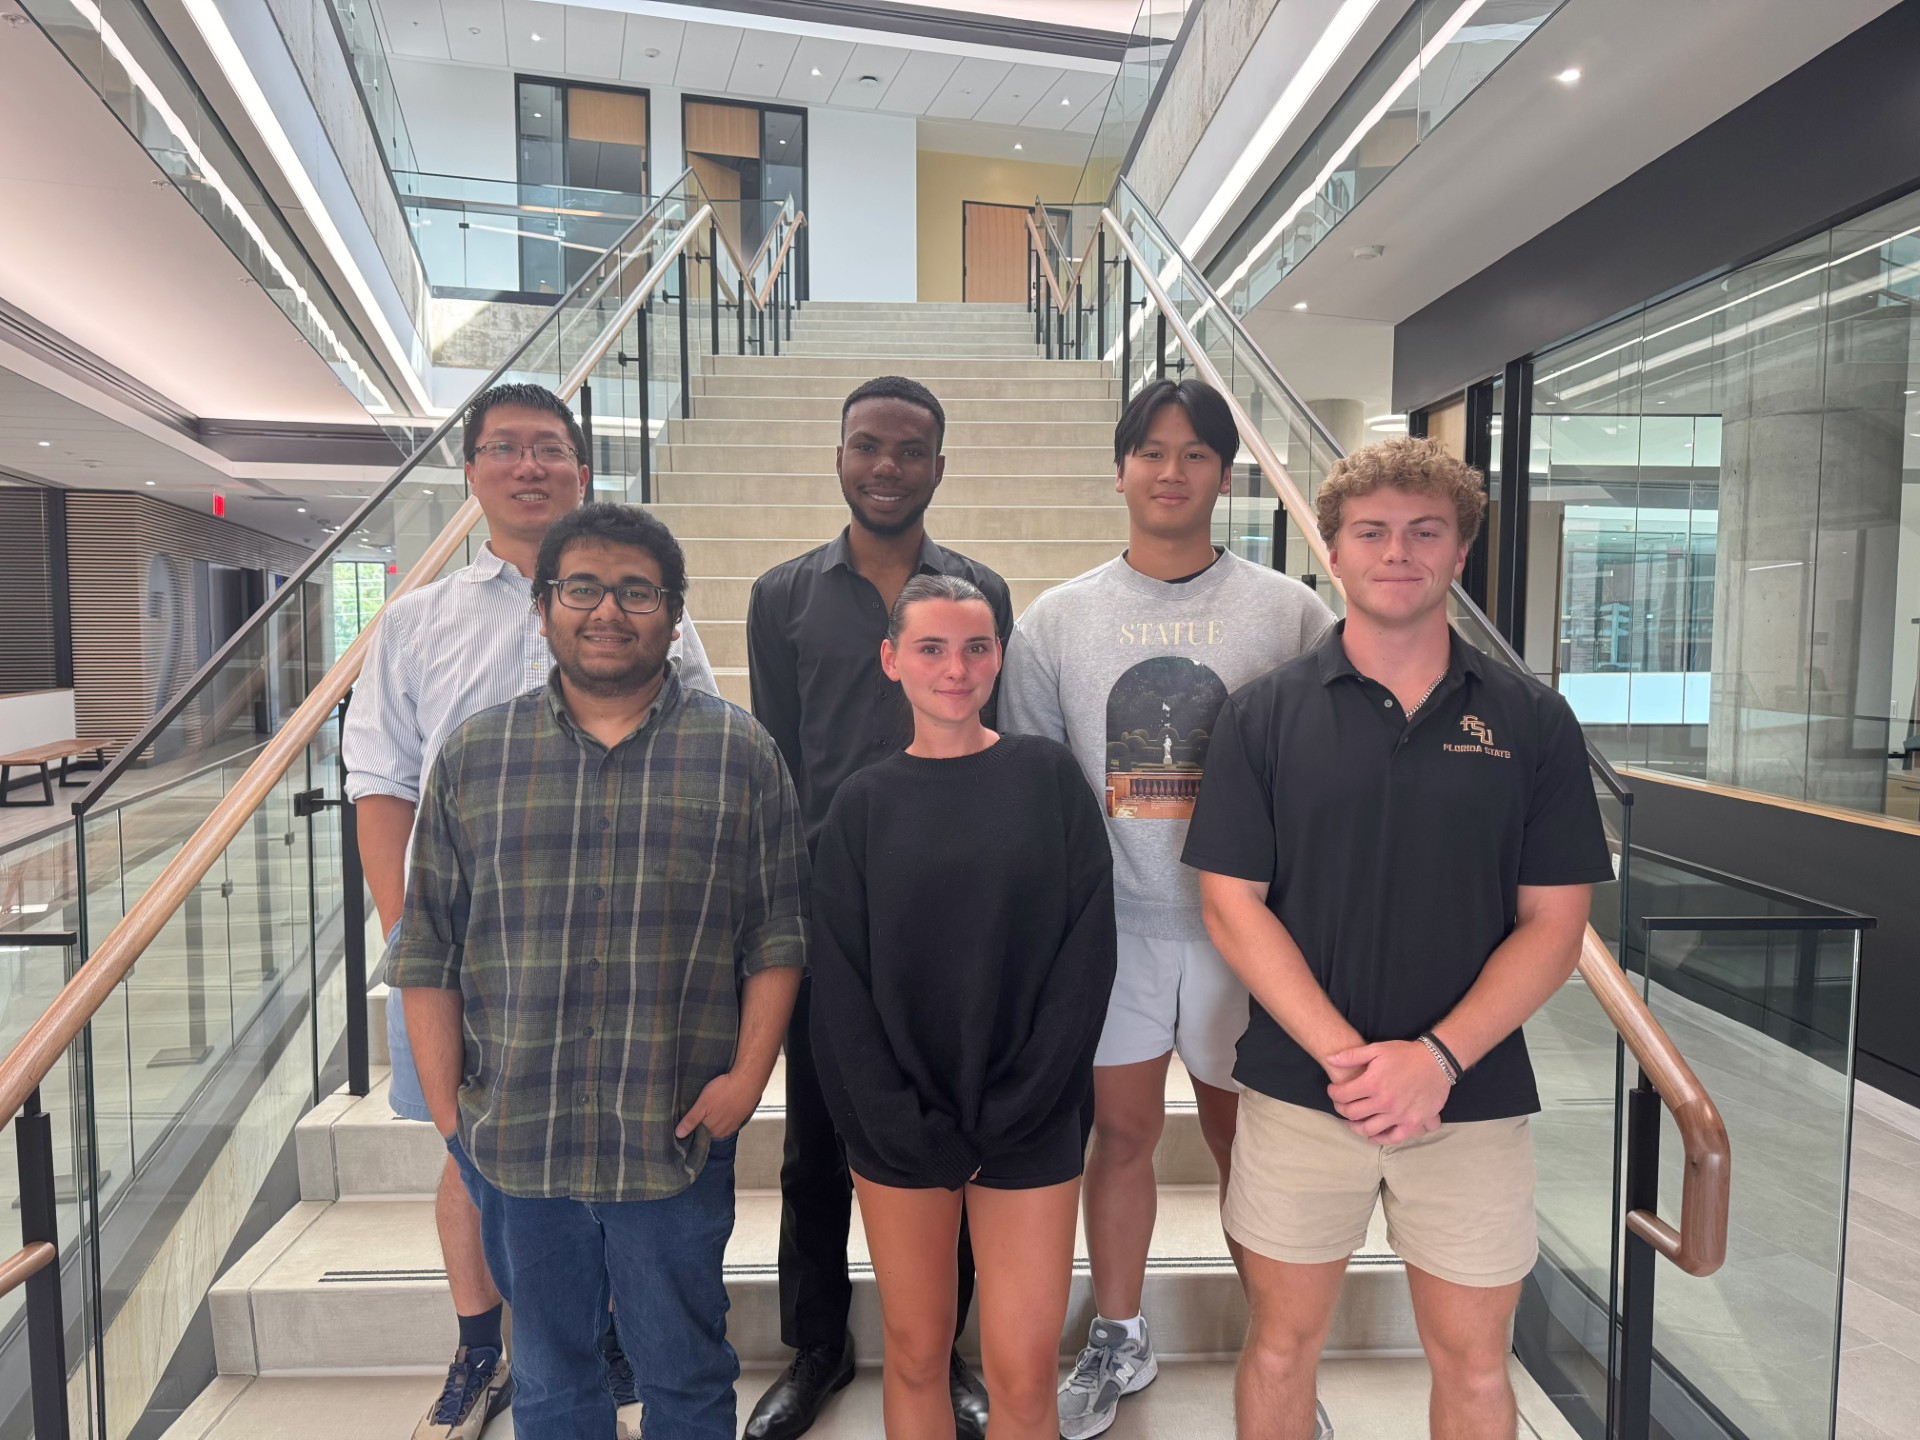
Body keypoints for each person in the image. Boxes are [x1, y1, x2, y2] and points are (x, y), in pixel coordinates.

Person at [1181, 437, 1612, 1440]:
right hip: (1300, 1091)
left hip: (1472, 1099)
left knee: (1472, 1367)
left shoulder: (1534, 722)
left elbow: (1556, 923)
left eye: (1427, 531)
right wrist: (1351, 1060)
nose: (1399, 552)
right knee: (1282, 1348)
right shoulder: (1262, 718)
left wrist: (1436, 1060)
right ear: (1333, 552)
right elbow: (1230, 904)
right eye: (1371, 532)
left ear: (1461, 552)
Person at [343, 381, 716, 1440]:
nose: (530, 466)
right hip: (467, 959)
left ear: (583, 471)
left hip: (616, 952)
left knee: (599, 1163)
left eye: (550, 448)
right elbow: (382, 786)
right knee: (473, 1160)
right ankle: (482, 1347)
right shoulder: (418, 622)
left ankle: (593, 1333)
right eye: (505, 448)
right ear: (471, 473)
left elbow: (702, 750)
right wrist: (418, 952)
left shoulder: (646, 604)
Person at [390, 503, 808, 1440]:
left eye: (636, 592)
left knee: (687, 1371)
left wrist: (746, 1081)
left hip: (672, 1133)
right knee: (549, 1376)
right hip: (519, 1141)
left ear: (672, 615)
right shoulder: (474, 757)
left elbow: (778, 935)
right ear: (542, 609)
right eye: (581, 588)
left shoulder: (739, 754)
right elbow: (428, 948)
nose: (607, 611)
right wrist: (454, 1113)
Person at [998, 377, 1332, 1438]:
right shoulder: (1059, 621)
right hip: (1119, 931)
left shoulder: (1289, 612)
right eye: (1151, 450)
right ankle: (1121, 1332)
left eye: (1194, 454)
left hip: (1249, 935)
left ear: (1222, 476)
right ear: (1120, 468)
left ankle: (1276, 1355)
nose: (1171, 471)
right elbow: (1041, 791)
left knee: (1254, 1145)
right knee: (1125, 1135)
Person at [744, 376, 1011, 1440]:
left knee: (948, 1140)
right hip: (827, 918)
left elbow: (993, 746)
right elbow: (776, 760)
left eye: (909, 450)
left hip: (946, 918)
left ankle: (939, 1353)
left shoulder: (977, 588)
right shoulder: (783, 596)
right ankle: (817, 1349)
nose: (887, 466)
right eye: (868, 446)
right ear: (840, 455)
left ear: (939, 467)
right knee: (814, 1145)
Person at [809, 575, 1117, 1440]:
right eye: (933, 648)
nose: (956, 668)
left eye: (976, 647)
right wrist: (897, 1121)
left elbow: (1086, 955)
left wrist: (1027, 1103)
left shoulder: (1048, 779)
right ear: (892, 659)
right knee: (915, 1352)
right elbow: (839, 988)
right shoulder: (860, 807)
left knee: (1023, 1372)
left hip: (1032, 1114)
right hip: (897, 1126)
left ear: (1000, 657)